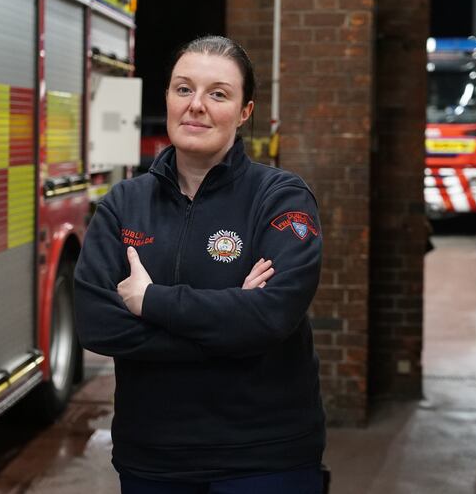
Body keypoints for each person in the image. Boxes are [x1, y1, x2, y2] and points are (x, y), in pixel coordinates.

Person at [74, 35, 325, 493]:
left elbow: (271, 316)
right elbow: (96, 325)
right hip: (153, 458)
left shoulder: (280, 199)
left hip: (265, 457)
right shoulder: (124, 205)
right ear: (167, 97)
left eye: (218, 93)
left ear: (245, 111)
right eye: (183, 89)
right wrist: (231, 328)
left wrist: (149, 301)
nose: (196, 106)